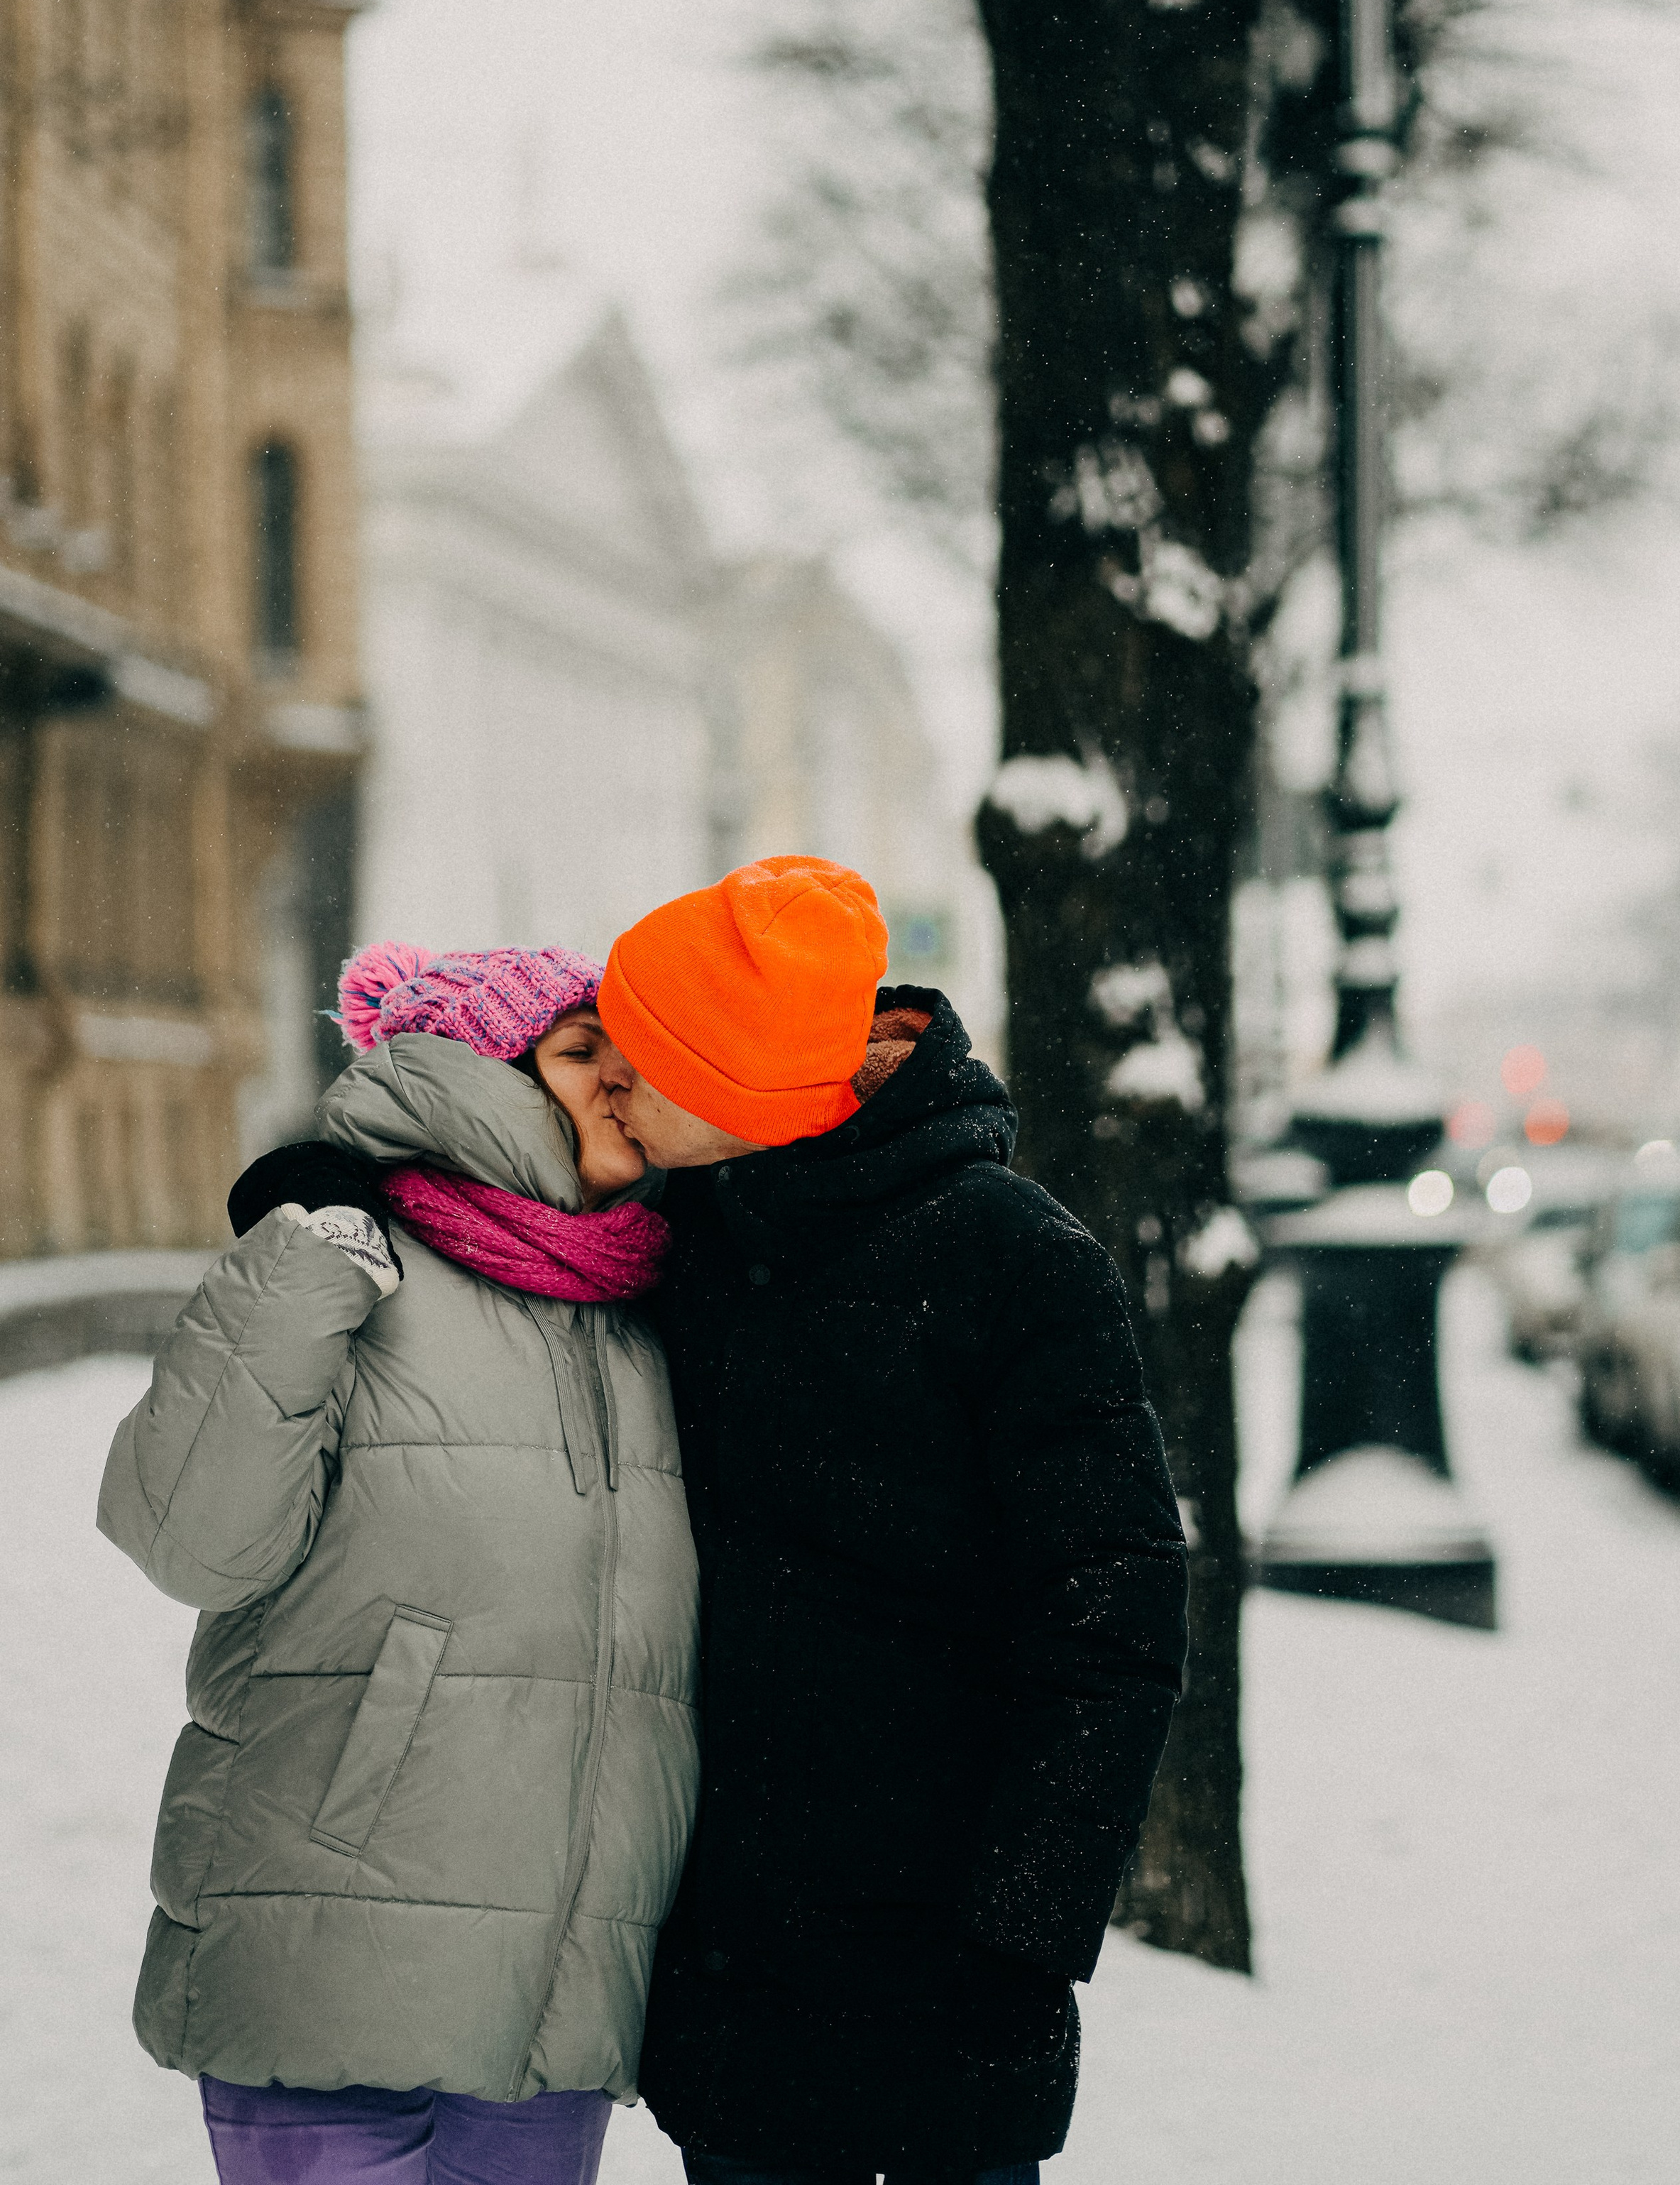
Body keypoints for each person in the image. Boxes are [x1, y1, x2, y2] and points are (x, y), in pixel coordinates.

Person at [592, 853, 1190, 2184]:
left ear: (734, 1080)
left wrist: (1022, 1936)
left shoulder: (1015, 1260)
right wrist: (329, 1185)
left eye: (640, 1053)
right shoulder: (675, 1234)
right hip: (734, 1977)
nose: (609, 1078)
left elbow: (1113, 1610)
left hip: (947, 1981)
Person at [97, 943, 702, 2185]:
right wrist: (306, 1256)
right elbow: (190, 1539)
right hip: (328, 1952)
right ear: (475, 1079)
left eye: (633, 1056)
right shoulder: (350, 1265)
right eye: (579, 1051)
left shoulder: (655, 1302)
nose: (620, 1081)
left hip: (557, 1996)